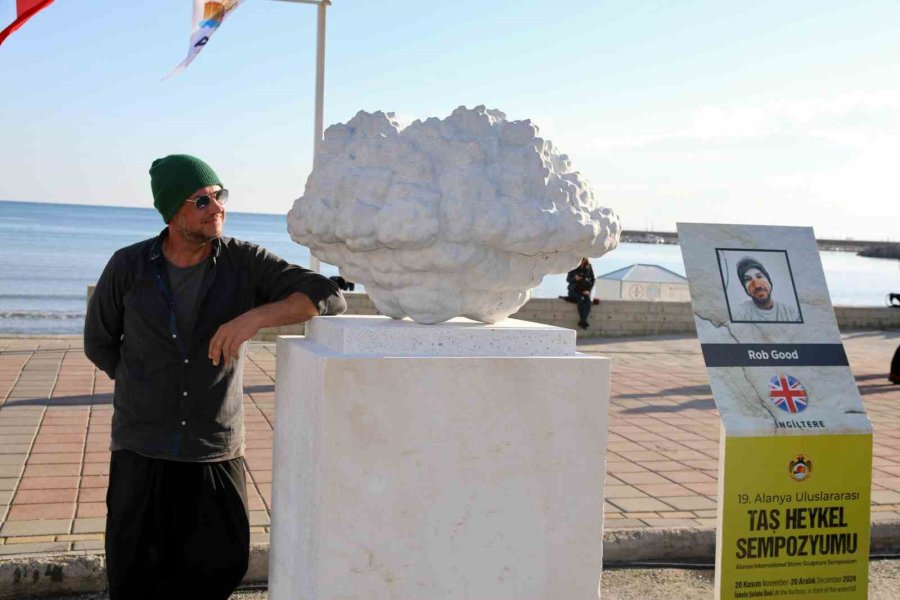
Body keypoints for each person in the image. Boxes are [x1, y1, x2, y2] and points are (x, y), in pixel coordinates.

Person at [84, 154, 346, 600]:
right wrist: (144, 383)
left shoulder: (243, 262)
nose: (216, 207)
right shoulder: (128, 266)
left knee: (219, 570)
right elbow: (99, 342)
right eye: (201, 200)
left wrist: (254, 318)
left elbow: (328, 296)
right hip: (140, 449)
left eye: (219, 195)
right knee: (134, 578)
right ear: (172, 212)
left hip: (214, 450)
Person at [732, 257, 800, 322]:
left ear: (769, 280)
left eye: (759, 276)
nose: (757, 286)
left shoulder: (790, 313)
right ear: (745, 288)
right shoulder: (739, 313)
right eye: (748, 279)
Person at [566, 257, 595, 329]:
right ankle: (583, 321)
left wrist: (588, 290)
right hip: (574, 290)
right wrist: (575, 278)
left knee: (588, 301)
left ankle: (583, 320)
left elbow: (593, 279)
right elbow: (568, 279)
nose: (582, 261)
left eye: (583, 259)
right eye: (580, 259)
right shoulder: (573, 266)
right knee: (581, 299)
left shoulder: (588, 267)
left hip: (584, 290)